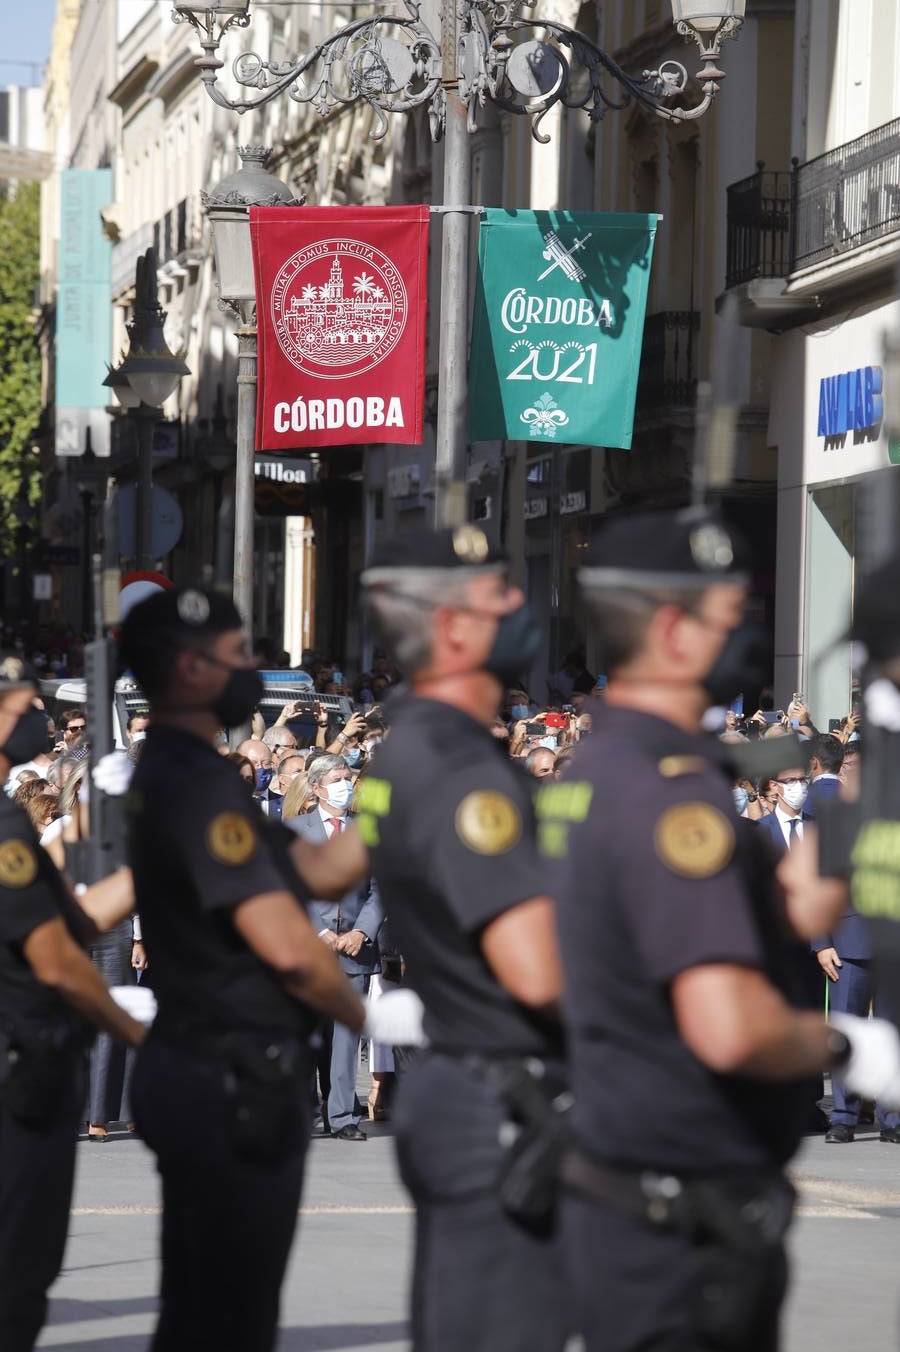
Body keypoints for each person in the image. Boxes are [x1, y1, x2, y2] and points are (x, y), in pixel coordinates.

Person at [542, 506, 887, 1352]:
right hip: (678, 1209)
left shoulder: (606, 766)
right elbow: (727, 1023)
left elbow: (769, 917)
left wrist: (862, 797)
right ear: (674, 629)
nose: (747, 636)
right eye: (735, 617)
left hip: (623, 1176)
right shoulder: (667, 794)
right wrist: (850, 1051)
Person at [119, 586, 367, 1352]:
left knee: (207, 1305)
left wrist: (392, 786)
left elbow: (324, 870)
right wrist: (369, 1018)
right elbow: (288, 945)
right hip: (226, 1072)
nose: (253, 668)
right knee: (228, 1315)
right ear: (191, 669)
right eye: (238, 655)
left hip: (208, 1067)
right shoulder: (195, 783)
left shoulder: (195, 772)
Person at [354, 525, 569, 1352]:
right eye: (494, 594)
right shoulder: (463, 769)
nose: (517, 606)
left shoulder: (408, 750)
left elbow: (343, 864)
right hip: (500, 1096)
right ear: (449, 626)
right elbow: (536, 968)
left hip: (461, 1079)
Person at [0, 653, 145, 1351]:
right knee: (16, 1275)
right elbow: (56, 955)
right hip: (16, 1074)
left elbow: (73, 919)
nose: (36, 718)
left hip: (24, 1067)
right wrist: (136, 1029)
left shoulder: (13, 823)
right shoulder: (3, 827)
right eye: (24, 705)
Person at [288, 754, 382, 1140]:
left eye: (349, 777)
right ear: (317, 787)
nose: (346, 784)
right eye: (338, 779)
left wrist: (362, 932)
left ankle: (343, 1115)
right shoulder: (296, 830)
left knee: (346, 1035)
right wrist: (319, 933)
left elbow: (380, 891)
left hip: (355, 948)